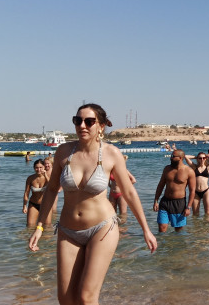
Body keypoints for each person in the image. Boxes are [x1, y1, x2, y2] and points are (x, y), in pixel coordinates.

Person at [28, 103, 156, 305]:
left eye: (89, 121)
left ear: (101, 126)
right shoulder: (63, 152)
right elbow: (51, 190)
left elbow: (129, 192)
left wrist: (146, 229)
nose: (82, 126)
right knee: (66, 299)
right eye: (78, 120)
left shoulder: (112, 153)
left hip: (102, 228)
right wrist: (40, 227)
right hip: (68, 230)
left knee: (86, 297)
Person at [153, 149, 195, 232]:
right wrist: (156, 200)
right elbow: (160, 185)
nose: (171, 158)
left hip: (179, 203)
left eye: (173, 156)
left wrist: (188, 207)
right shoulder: (167, 169)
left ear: (180, 158)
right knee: (162, 227)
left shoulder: (189, 171)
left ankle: (176, 241)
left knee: (178, 230)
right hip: (165, 201)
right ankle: (162, 241)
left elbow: (192, 191)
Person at [184, 151, 209, 215]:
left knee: (208, 213)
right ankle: (197, 223)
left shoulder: (208, 167)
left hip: (206, 191)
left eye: (203, 158)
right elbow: (186, 157)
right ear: (198, 159)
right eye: (200, 158)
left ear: (206, 159)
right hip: (196, 192)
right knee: (195, 214)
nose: (202, 159)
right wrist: (196, 157)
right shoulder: (194, 167)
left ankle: (207, 222)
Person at [23, 159, 49, 227]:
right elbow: (26, 193)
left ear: (44, 167)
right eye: (36, 167)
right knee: (30, 226)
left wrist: (45, 175)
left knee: (47, 227)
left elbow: (52, 186)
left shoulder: (48, 177)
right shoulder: (30, 178)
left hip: (46, 204)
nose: (39, 169)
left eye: (41, 167)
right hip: (33, 204)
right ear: (34, 168)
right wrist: (24, 205)